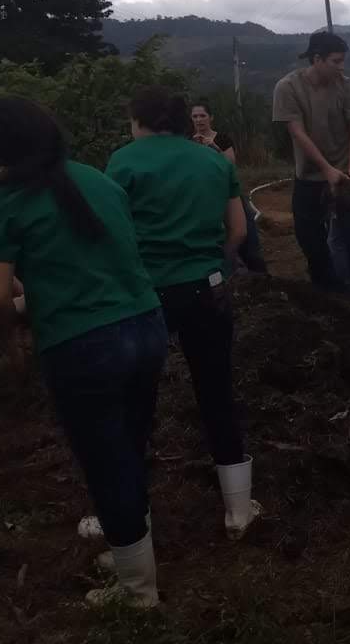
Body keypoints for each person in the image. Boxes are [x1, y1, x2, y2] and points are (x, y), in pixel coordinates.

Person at [0, 97, 166, 608]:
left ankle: (138, 593)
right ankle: (132, 550)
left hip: (82, 344)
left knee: (106, 462)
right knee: (130, 447)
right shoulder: (97, 180)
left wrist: (11, 339)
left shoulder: (5, 201)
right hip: (146, 324)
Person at [106, 87, 261, 540]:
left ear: (140, 121)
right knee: (216, 392)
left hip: (145, 296)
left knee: (136, 402)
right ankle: (238, 509)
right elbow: (237, 230)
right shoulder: (213, 161)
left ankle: (132, 514)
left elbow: (113, 235)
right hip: (206, 289)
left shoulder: (123, 162)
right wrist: (215, 264)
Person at [272, 32, 350, 308]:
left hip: (349, 171)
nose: (341, 67)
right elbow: (297, 133)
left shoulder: (348, 87)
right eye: (336, 61)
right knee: (308, 234)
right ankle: (325, 288)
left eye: (343, 61)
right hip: (310, 172)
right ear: (317, 59)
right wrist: (327, 169)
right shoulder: (288, 87)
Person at [190, 98, 267, 275]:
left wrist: (214, 147)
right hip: (202, 195)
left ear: (211, 117)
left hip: (228, 192)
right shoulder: (188, 141)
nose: (199, 120)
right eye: (195, 116)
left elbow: (230, 165)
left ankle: (258, 273)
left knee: (246, 231)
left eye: (202, 115)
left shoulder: (222, 139)